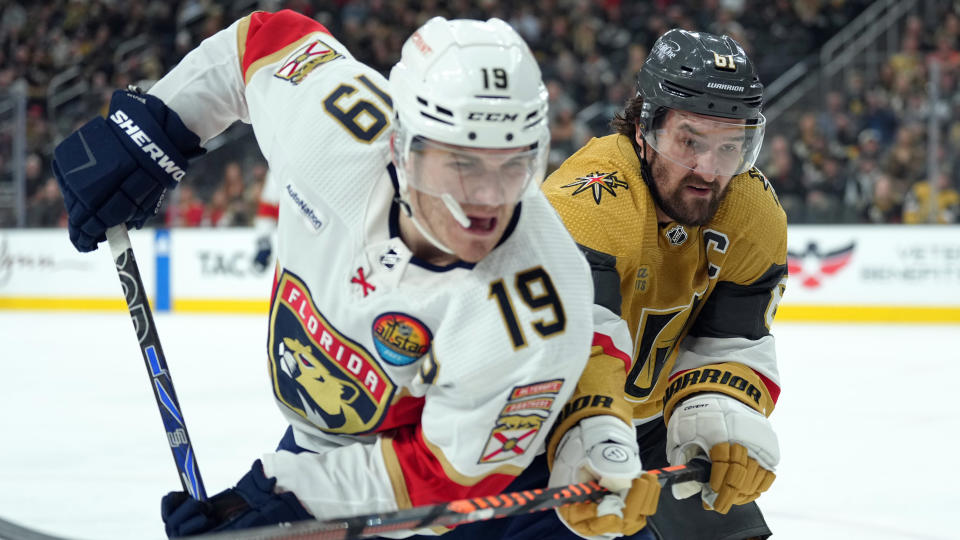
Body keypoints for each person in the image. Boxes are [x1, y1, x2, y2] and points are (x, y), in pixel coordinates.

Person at [51, 10, 613, 537]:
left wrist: (289, 498)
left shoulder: (536, 307)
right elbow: (263, 42)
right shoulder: (337, 130)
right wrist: (154, 130)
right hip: (334, 440)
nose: (487, 202)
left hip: (484, 481)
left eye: (513, 164)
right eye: (461, 164)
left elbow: (443, 475)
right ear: (402, 148)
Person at [438, 28, 785, 540]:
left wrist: (716, 413)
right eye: (690, 141)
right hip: (533, 420)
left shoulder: (752, 210)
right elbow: (578, 349)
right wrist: (596, 435)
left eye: (731, 146)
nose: (710, 171)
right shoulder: (590, 202)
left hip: (644, 423)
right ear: (646, 127)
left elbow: (731, 338)